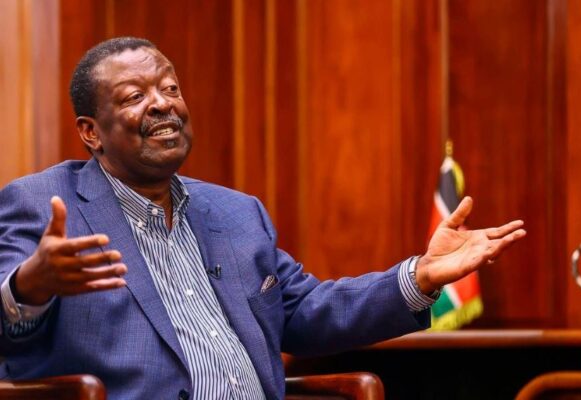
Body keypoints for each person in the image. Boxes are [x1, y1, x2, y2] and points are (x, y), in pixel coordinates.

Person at [0, 37, 525, 399]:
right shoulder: (43, 203)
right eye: (136, 97)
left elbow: (305, 312)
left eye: (171, 88)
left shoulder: (235, 213)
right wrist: (30, 286)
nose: (162, 105)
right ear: (91, 132)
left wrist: (420, 277)